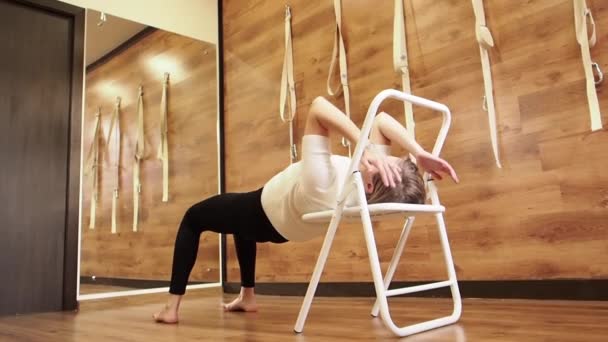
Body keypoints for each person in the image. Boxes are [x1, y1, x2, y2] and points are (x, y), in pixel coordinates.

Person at [153, 96, 459, 323]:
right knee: (239, 225)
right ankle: (247, 297)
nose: (385, 157)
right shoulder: (371, 190)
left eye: (389, 163)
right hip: (279, 217)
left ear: (369, 185)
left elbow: (317, 107)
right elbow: (381, 121)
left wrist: (364, 147)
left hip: (263, 212)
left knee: (193, 217)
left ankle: (171, 309)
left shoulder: (323, 183)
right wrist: (419, 153)